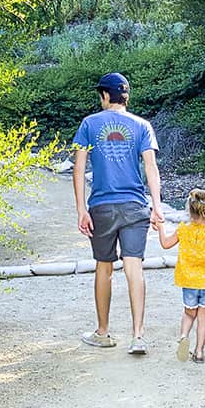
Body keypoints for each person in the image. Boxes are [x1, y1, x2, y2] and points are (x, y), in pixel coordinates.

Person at [72, 72, 163, 354]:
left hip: (101, 205)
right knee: (134, 267)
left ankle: (103, 332)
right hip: (135, 204)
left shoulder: (89, 124)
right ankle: (138, 336)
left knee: (104, 266)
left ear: (104, 95)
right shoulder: (142, 126)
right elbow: (151, 167)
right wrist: (156, 206)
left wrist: (80, 210)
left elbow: (78, 168)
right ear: (125, 96)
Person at [153, 188, 205, 362]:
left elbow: (166, 244)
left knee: (189, 313)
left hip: (188, 281)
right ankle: (199, 352)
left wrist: (160, 227)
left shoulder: (183, 230)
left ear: (188, 211)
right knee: (203, 318)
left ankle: (184, 337)